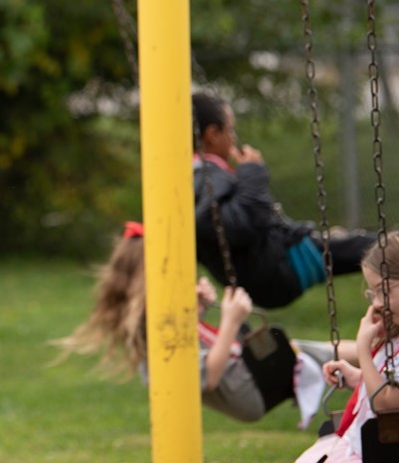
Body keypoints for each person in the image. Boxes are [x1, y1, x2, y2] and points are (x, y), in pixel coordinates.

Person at [56, 221, 333, 426]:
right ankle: (373, 364)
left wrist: (196, 311)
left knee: (326, 353)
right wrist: (230, 320)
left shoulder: (152, 319)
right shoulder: (158, 331)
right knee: (324, 354)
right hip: (244, 388)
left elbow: (190, 348)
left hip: (242, 382)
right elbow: (209, 376)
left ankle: (373, 360)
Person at [193, 91, 376, 308]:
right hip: (277, 269)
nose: (234, 138)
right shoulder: (206, 174)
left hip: (265, 269)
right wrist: (252, 172)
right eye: (230, 130)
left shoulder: (192, 179)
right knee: (373, 248)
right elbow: (240, 223)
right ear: (212, 134)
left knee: (358, 246)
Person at [294, 232, 399, 463]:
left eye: (385, 290)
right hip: (358, 444)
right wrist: (358, 378)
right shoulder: (394, 340)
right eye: (373, 293)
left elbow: (386, 403)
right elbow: (386, 386)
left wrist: (363, 350)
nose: (378, 303)